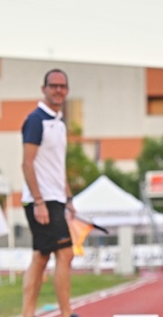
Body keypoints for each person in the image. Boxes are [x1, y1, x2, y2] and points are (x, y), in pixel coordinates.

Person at [21, 69, 78, 317]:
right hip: (42, 200)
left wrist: (69, 198)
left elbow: (58, 167)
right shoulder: (36, 120)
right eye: (53, 85)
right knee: (65, 253)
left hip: (56, 198)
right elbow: (27, 163)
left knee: (42, 256)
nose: (58, 90)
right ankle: (66, 313)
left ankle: (27, 313)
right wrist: (39, 201)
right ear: (43, 88)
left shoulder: (60, 123)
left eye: (62, 86)